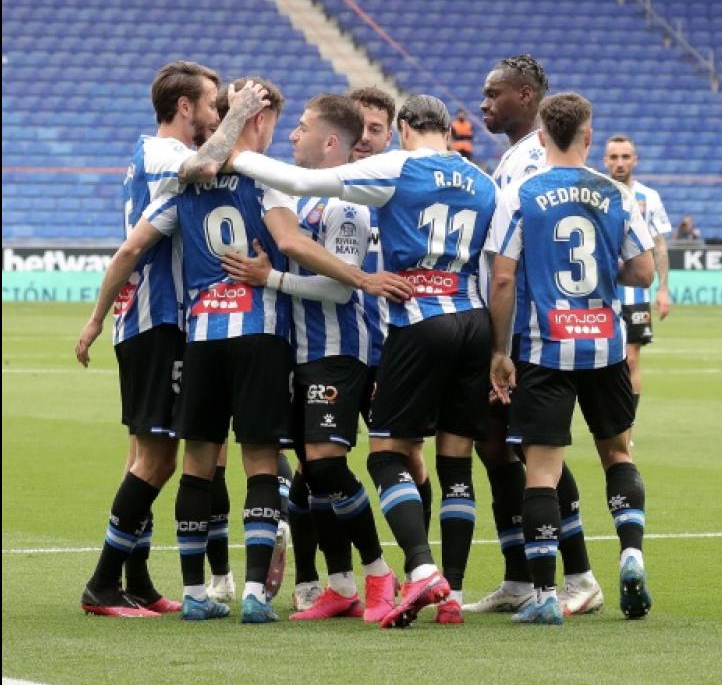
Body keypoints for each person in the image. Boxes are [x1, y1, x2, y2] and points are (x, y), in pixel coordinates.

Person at [76, 77, 408, 624]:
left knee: (196, 466)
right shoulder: (261, 179)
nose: (288, 134)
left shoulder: (181, 188)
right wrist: (361, 278)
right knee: (260, 463)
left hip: (202, 335)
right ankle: (254, 592)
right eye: (282, 124)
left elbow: (133, 246)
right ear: (257, 119)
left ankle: (198, 593)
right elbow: (293, 244)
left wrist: (95, 317)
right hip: (262, 332)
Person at [227, 93, 496, 628]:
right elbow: (495, 265)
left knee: (385, 457)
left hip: (404, 323)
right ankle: (441, 590)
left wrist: (227, 150)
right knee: (449, 458)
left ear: (401, 128)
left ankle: (405, 571)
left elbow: (305, 197)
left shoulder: (394, 169)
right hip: (472, 318)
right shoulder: (481, 180)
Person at [221, 94, 398, 622]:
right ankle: (340, 585)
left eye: (300, 128)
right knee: (312, 471)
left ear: (329, 143)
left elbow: (339, 290)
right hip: (296, 351)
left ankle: (379, 573)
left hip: (338, 349)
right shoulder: (298, 200)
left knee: (325, 464)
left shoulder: (349, 204)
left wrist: (268, 277)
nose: (292, 135)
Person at [485, 92, 656, 624]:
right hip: (604, 344)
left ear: (541, 137)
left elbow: (504, 276)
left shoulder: (520, 193)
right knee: (618, 454)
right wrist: (609, 274)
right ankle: (630, 551)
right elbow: (644, 272)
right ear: (588, 136)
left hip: (544, 347)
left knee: (541, 472)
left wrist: (499, 349)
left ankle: (542, 597)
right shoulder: (617, 194)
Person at [76, 60, 221, 617]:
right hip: (159, 320)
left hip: (143, 320)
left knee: (141, 455)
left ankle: (134, 577)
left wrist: (99, 318)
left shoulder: (149, 155)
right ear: (184, 108)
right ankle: (102, 583)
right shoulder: (169, 155)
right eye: (210, 105)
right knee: (157, 462)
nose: (216, 116)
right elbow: (134, 247)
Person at [470, 54, 603, 616]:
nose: (483, 103)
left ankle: (579, 575)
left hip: (526, 332)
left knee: (534, 450)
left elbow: (522, 259)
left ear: (525, 96)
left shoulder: (532, 163)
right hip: (506, 327)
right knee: (498, 448)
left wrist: (505, 342)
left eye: (493, 92)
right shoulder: (514, 158)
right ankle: (519, 576)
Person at [348, 86, 437, 567]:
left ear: (393, 136)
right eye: (357, 127)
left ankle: (415, 566)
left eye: (375, 129)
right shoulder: (326, 187)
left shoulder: (407, 189)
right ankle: (327, 579)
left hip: (395, 347)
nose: (363, 137)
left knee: (406, 456)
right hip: (337, 346)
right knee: (318, 461)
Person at [603, 134, 672, 418]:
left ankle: (625, 428)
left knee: (631, 359)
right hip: (602, 291)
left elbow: (659, 246)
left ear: (635, 160)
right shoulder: (596, 192)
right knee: (601, 363)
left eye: (625, 157)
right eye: (614, 157)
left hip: (635, 294)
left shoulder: (648, 197)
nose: (620, 163)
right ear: (605, 160)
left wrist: (663, 288)